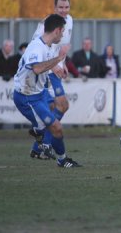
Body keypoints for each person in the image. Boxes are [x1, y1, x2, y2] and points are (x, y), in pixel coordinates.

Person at [13, 14, 80, 167]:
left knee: (56, 112)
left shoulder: (48, 46)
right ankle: (45, 143)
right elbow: (36, 68)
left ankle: (47, 145)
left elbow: (44, 67)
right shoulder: (37, 47)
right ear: (56, 31)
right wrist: (58, 59)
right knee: (56, 127)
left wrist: (56, 68)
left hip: (39, 93)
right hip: (26, 98)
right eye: (62, 32)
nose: (63, 35)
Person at [30, 0, 73, 159]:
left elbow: (61, 47)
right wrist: (54, 65)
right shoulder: (45, 24)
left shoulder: (70, 21)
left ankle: (39, 148)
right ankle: (44, 145)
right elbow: (36, 47)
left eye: (66, 7)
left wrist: (64, 64)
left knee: (59, 107)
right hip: (45, 71)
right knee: (62, 105)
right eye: (60, 7)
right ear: (55, 8)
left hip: (56, 68)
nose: (64, 10)